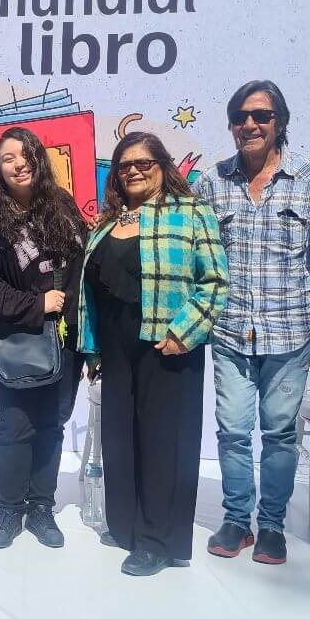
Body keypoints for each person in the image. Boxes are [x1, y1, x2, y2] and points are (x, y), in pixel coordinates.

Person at [194, 81, 310, 565]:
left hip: (290, 331)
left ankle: (272, 523)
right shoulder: (212, 183)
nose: (249, 124)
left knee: (279, 432)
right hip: (231, 329)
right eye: (240, 116)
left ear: (280, 121)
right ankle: (238, 519)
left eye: (261, 115)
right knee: (232, 431)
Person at [79, 132, 227, 576]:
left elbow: (215, 281)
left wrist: (186, 331)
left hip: (167, 342)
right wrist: (93, 347)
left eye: (144, 163)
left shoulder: (193, 212)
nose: (134, 171)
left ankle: (157, 540)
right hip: (116, 345)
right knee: (120, 440)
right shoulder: (108, 222)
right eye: (125, 166)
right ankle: (125, 527)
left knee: (165, 443)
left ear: (163, 165)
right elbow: (92, 290)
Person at [0, 127, 86, 550]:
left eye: (25, 155)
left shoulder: (64, 207)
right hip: (19, 339)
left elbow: (82, 272)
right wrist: (37, 304)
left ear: (39, 158)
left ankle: (41, 508)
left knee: (52, 424)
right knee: (15, 425)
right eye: (7, 159)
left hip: (65, 340)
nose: (19, 164)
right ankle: (9, 508)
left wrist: (83, 332)